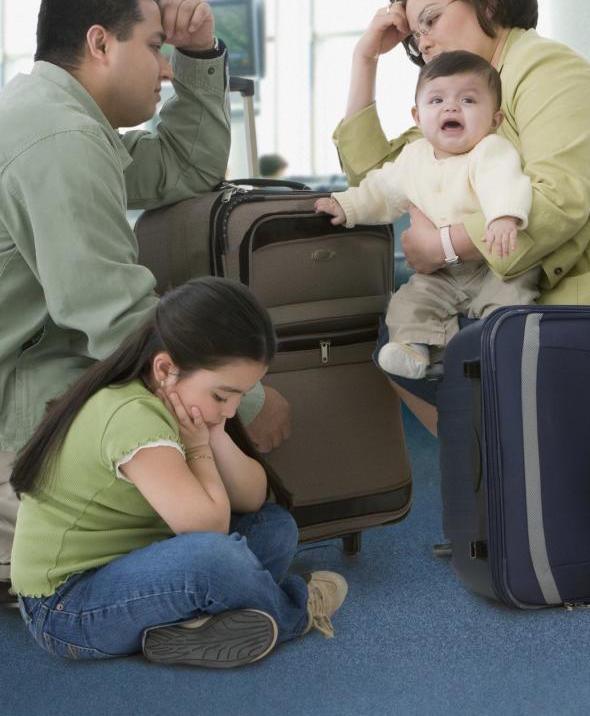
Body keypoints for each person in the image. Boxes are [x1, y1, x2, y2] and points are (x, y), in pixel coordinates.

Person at [0, 0, 292, 604]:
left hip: (40, 382)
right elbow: (112, 316)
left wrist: (199, 56)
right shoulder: (60, 137)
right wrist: (247, 401)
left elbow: (183, 166)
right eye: (156, 49)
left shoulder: (57, 116)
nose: (164, 68)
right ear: (99, 42)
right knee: (246, 530)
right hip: (17, 410)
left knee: (247, 522)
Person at [333, 0, 590, 432]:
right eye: (415, 36)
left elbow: (559, 202)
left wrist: (444, 246)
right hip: (540, 295)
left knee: (461, 380)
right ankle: (491, 467)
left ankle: (493, 463)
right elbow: (379, 174)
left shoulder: (546, 67)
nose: (424, 42)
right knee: (397, 339)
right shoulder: (471, 93)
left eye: (431, 20)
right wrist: (365, 58)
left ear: (489, 2)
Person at [9, 277, 347, 668]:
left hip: (135, 564)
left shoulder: (177, 403)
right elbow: (207, 527)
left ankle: (185, 631)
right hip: (66, 608)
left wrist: (216, 434)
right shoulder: (132, 418)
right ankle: (293, 611)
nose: (233, 410)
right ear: (166, 368)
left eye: (240, 395)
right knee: (216, 559)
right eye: (222, 396)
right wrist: (200, 448)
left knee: (274, 527)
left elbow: (252, 498)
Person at [316, 51, 538, 379]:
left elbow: (504, 182)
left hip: (493, 265)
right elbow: (381, 190)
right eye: (437, 100)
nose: (451, 107)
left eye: (468, 100)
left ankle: (505, 349)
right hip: (442, 273)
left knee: (512, 301)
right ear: (417, 116)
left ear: (495, 120)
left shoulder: (490, 151)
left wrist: (503, 217)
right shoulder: (413, 157)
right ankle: (415, 349)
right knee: (409, 302)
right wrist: (347, 206)